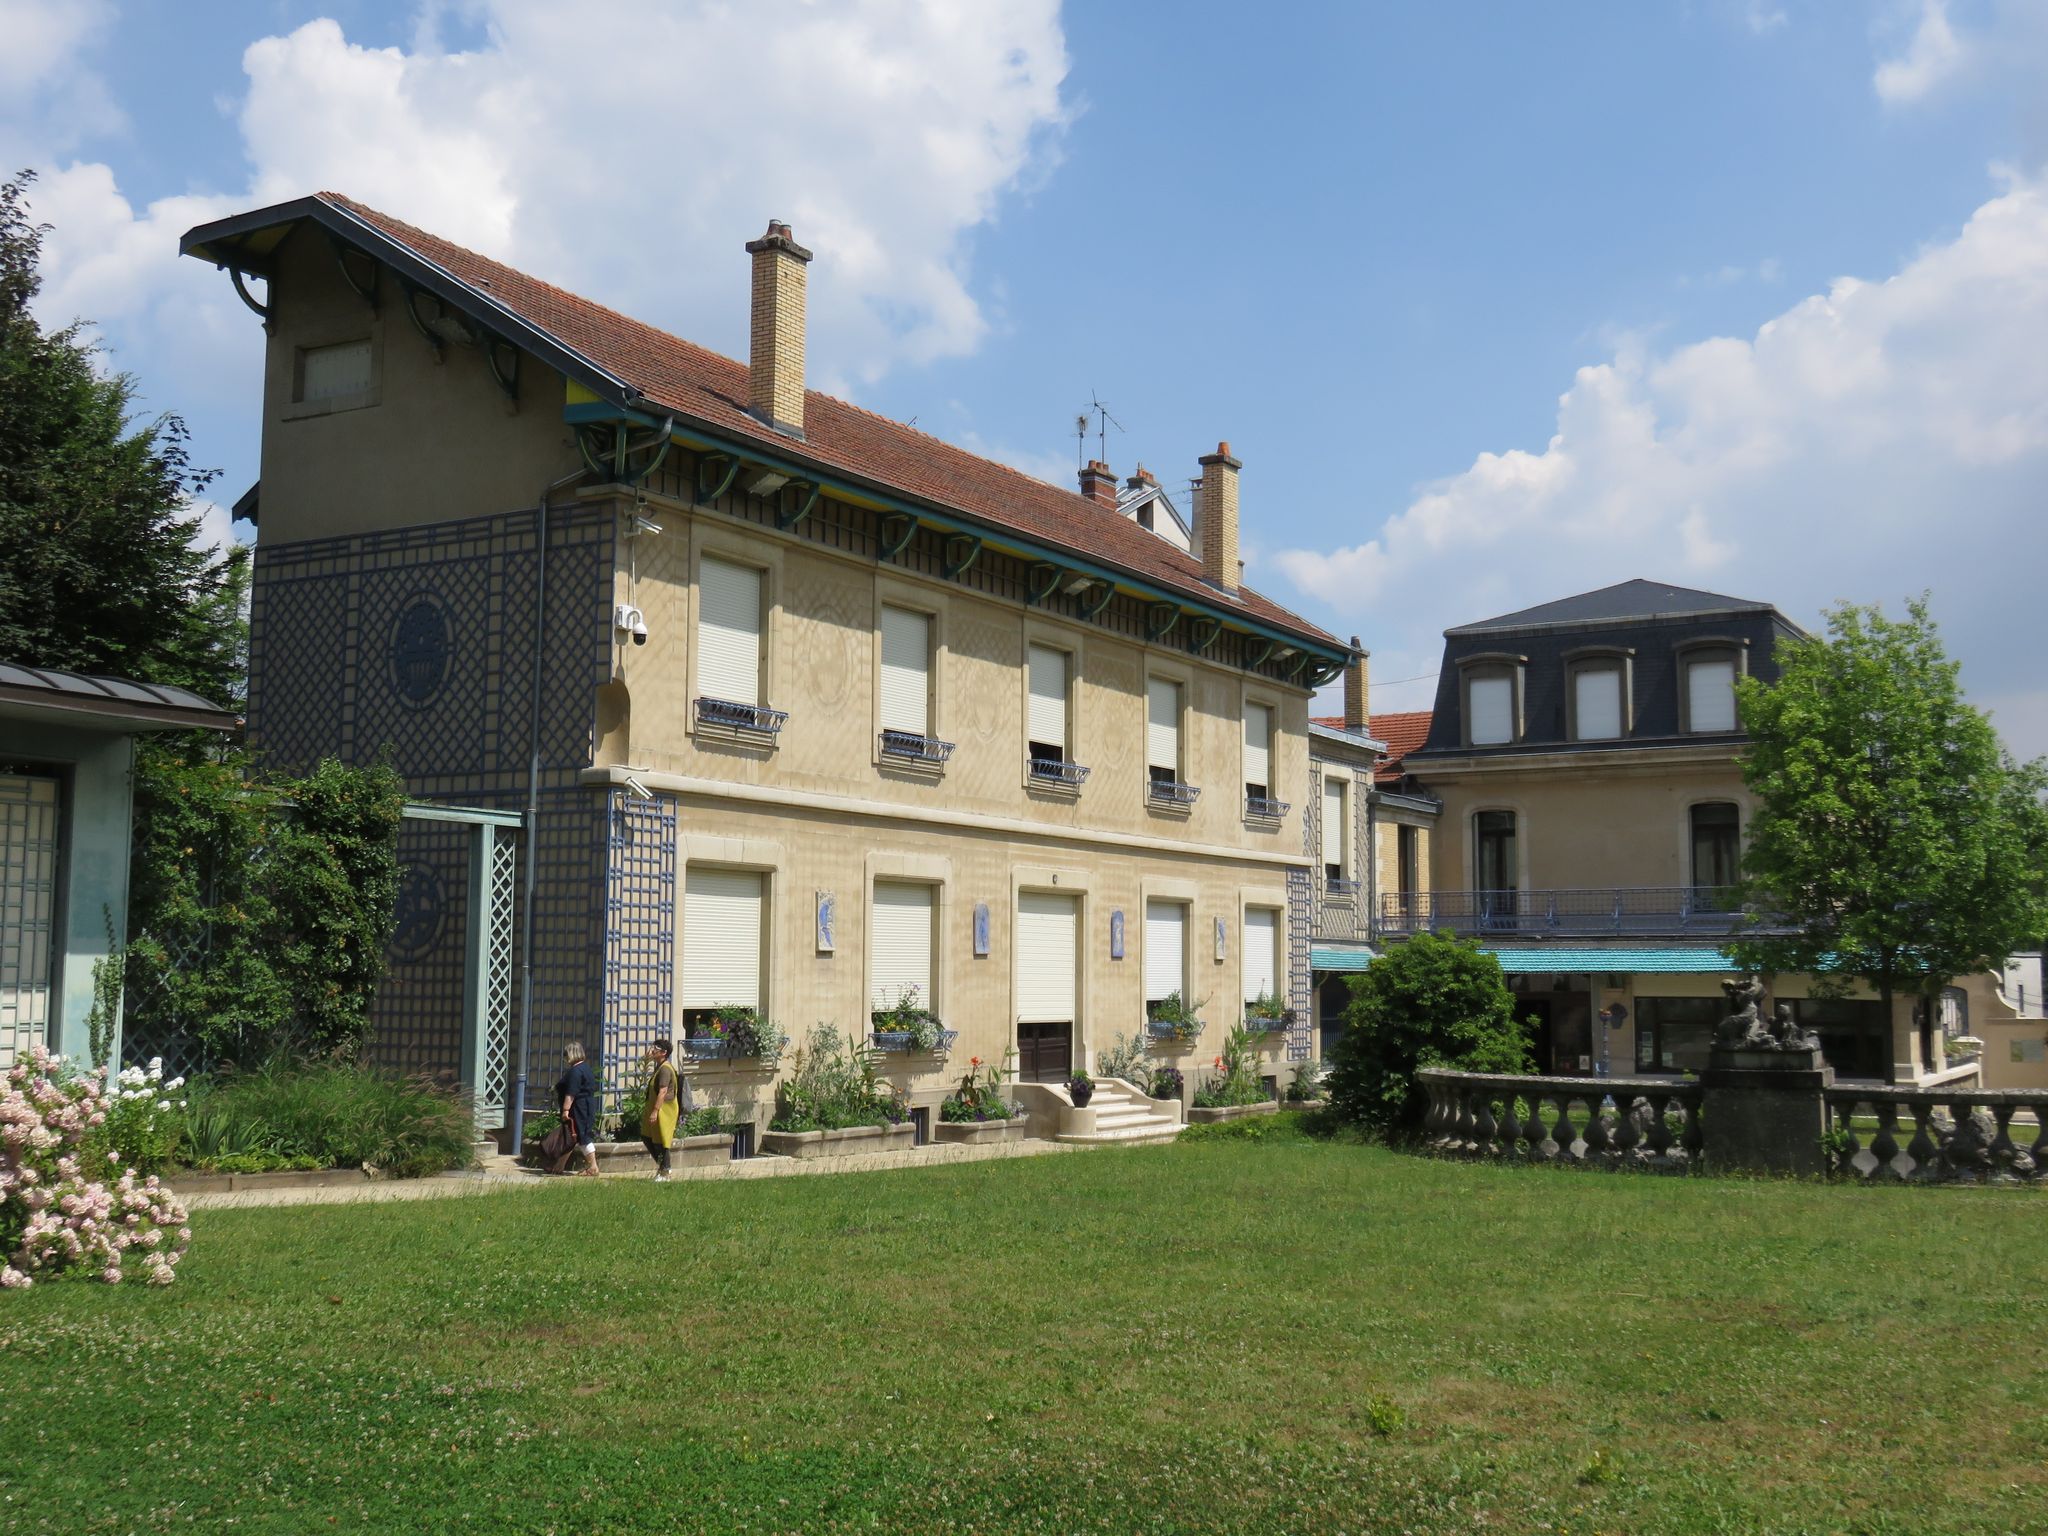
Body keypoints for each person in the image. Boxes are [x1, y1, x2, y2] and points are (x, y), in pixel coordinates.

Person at [553, 1041, 599, 1176]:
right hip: (586, 1106)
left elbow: (571, 1093)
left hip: (579, 1108)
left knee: (582, 1135)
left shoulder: (576, 1071)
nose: (565, 1057)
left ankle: (593, 1167)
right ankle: (559, 1165)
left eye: (566, 1054)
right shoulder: (585, 1068)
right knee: (573, 1136)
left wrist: (565, 1110)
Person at [641, 1039, 680, 1181]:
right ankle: (663, 1167)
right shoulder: (660, 1066)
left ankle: (666, 1171)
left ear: (664, 1053)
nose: (652, 1051)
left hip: (665, 1110)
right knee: (647, 1136)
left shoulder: (665, 1069)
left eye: (655, 1049)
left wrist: (655, 1111)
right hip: (657, 1108)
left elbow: (663, 1091)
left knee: (661, 1140)